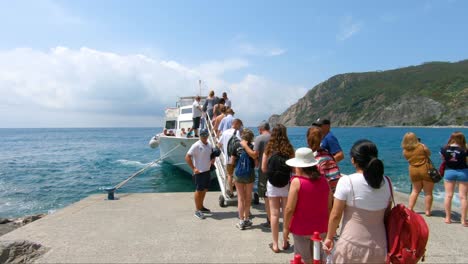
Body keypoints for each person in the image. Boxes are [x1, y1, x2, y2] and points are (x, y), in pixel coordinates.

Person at [323, 139, 392, 263]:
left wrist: (329, 237)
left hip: (351, 246)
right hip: (379, 247)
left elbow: (335, 215)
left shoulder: (347, 182)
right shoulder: (387, 182)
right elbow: (387, 215)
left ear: (353, 161)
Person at [283, 148, 332, 262]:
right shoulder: (325, 181)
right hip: (322, 228)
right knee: (319, 259)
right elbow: (329, 206)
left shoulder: (296, 182)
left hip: (301, 228)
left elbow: (289, 208)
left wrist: (285, 229)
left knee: (304, 260)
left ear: (299, 167)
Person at [261, 124, 295, 253]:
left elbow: (264, 168)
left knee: (274, 214)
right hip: (286, 184)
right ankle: (285, 241)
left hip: (272, 184)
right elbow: (294, 169)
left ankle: (275, 245)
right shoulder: (289, 149)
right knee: (286, 213)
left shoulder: (268, 149)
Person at [401, 132, 435, 216]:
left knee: (415, 191)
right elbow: (429, 154)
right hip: (425, 169)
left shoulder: (405, 151)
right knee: (428, 192)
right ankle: (427, 211)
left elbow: (408, 159)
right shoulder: (421, 146)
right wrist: (422, 145)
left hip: (413, 170)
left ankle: (410, 208)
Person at [184, 129, 214, 220]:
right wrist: (193, 168)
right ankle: (197, 210)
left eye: (206, 135)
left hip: (207, 171)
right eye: (202, 135)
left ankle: (201, 207)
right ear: (200, 135)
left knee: (205, 189)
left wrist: (213, 158)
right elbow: (187, 157)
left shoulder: (209, 144)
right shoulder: (196, 145)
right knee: (199, 190)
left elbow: (211, 155)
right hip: (199, 172)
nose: (204, 137)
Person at [440, 131, 468, 226]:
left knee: (448, 195)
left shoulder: (444, 148)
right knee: (463, 197)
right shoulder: (465, 148)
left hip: (449, 172)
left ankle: (448, 218)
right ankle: (463, 220)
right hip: (463, 172)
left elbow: (443, 159)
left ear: (451, 137)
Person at [232, 128, 257, 230]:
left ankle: (241, 221)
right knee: (248, 198)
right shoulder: (252, 146)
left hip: (238, 174)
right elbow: (256, 162)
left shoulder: (236, 146)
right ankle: (246, 218)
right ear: (251, 137)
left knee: (240, 198)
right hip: (249, 173)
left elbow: (232, 160)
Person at [306, 126, 341, 193]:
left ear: (307, 139)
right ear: (321, 138)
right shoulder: (328, 153)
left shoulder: (311, 158)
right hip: (336, 191)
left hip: (324, 193)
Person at [218, 118, 243, 197]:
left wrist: (224, 150)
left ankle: (231, 192)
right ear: (236, 124)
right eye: (240, 125)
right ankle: (239, 192)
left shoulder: (225, 132)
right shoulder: (237, 132)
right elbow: (240, 143)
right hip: (236, 158)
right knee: (238, 175)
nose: (240, 127)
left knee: (229, 174)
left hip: (227, 159)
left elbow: (219, 144)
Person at [253, 120, 271, 228]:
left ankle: (269, 220)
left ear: (260, 129)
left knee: (266, 194)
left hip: (264, 169)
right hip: (276, 168)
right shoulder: (275, 137)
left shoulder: (259, 138)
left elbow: (255, 154)